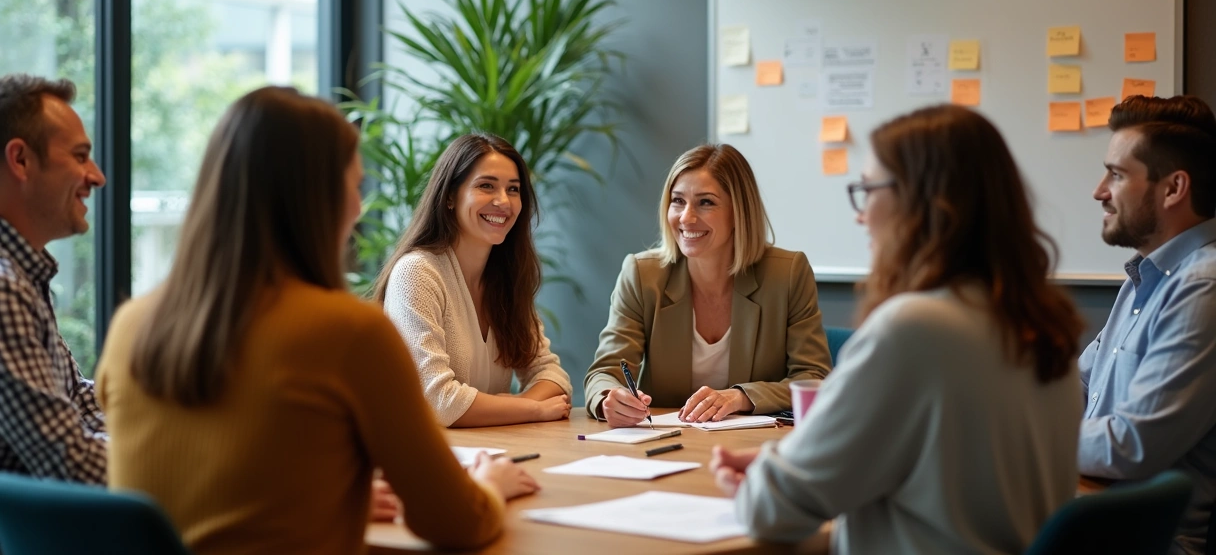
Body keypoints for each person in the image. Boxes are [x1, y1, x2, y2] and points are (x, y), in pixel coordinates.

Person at [95, 88, 537, 554]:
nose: (357, 207)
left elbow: (209, 479)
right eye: (354, 186)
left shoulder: (129, 325)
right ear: (320, 201)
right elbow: (457, 521)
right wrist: (491, 483)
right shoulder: (349, 333)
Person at [712, 105, 1084, 554]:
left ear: (924, 199)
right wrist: (792, 461)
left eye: (868, 189)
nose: (861, 214)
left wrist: (767, 475)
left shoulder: (912, 329)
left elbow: (775, 509)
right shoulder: (1042, 326)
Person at [585, 143, 830, 427]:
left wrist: (741, 397)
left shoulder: (787, 274)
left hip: (756, 446)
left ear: (739, 212)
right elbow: (605, 371)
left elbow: (813, 377)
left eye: (706, 202)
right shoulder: (642, 275)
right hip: (666, 443)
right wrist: (609, 399)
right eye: (678, 201)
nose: (686, 217)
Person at [1079, 94, 1216, 555]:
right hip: (1094, 512)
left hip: (1147, 543)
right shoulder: (1147, 274)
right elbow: (1079, 386)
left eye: (1116, 175)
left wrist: (1017, 438)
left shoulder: (1205, 286)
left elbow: (1133, 445)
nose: (1100, 191)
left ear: (1173, 188)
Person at [373, 133, 572, 428]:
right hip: (423, 458)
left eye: (513, 189)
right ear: (450, 196)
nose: (503, 201)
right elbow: (438, 402)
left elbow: (553, 377)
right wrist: (532, 409)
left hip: (488, 449)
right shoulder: (416, 273)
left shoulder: (506, 277)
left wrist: (509, 406)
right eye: (486, 185)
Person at [0, 74, 107, 483]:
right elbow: (69, 463)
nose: (97, 177)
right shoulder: (4, 288)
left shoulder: (22, 273)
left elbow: (77, 399)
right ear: (21, 160)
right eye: (80, 156)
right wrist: (174, 463)